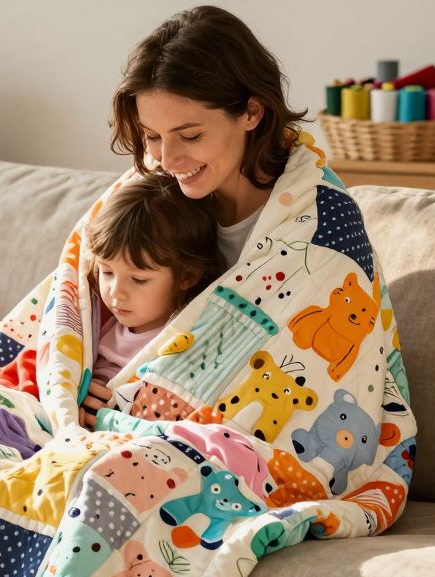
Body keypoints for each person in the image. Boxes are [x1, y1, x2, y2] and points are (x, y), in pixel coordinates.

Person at [82, 4, 310, 423]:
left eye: (190, 135)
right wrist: (74, 387)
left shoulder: (313, 221)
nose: (167, 158)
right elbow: (69, 308)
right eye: (152, 136)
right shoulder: (150, 194)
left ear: (251, 113)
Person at [80, 175, 224, 429]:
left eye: (138, 279)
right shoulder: (95, 320)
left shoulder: (183, 337)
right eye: (107, 272)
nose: (116, 292)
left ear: (187, 276)